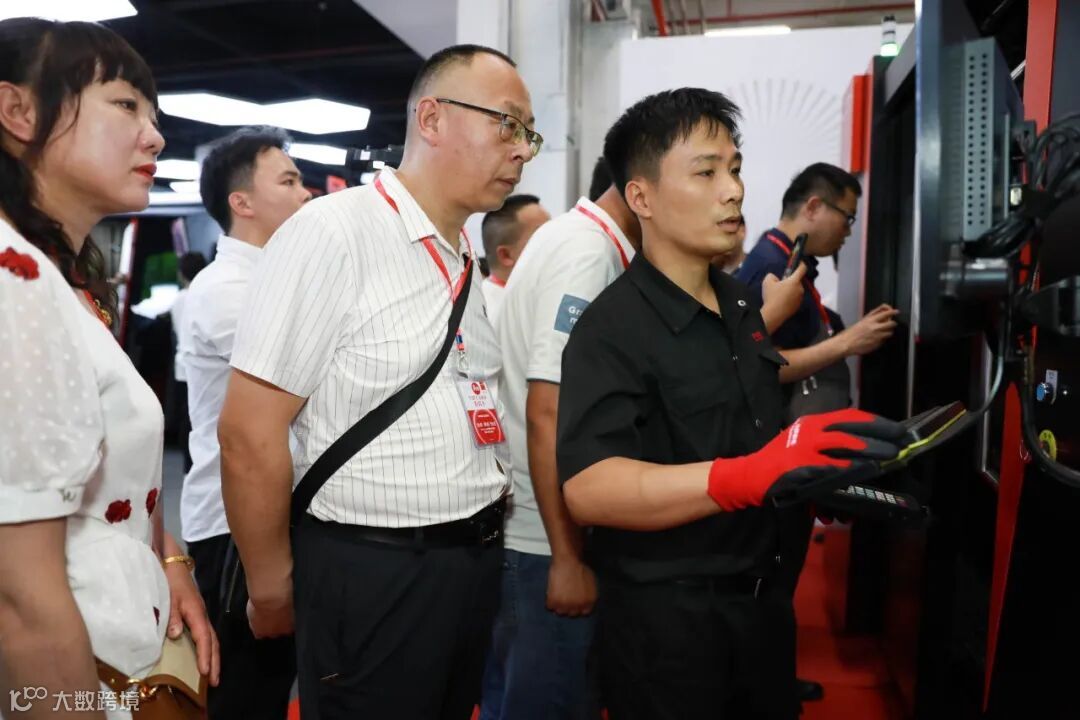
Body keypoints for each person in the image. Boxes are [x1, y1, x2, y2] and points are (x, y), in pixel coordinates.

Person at [555, 88, 907, 720]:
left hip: (764, 605)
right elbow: (590, 488)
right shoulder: (611, 329)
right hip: (671, 627)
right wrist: (745, 477)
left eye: (736, 168)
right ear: (642, 198)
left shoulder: (743, 304)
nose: (734, 191)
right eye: (706, 172)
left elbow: (747, 420)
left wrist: (818, 475)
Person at [217, 44, 541, 720]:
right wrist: (271, 586)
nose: (522, 150)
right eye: (507, 123)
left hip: (469, 561)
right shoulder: (335, 233)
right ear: (432, 118)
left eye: (528, 134)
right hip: (374, 571)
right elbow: (249, 430)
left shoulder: (460, 252)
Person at [0, 18, 218, 719]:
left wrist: (165, 557)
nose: (154, 137)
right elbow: (19, 604)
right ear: (17, 111)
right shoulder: (13, 280)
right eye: (125, 105)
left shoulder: (56, 279)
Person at [481, 158, 641, 720]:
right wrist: (567, 556)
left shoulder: (575, 237)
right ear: (642, 187)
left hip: (533, 530)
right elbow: (547, 407)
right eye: (704, 173)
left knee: (514, 696)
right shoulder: (587, 253)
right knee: (548, 701)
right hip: (543, 539)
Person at [735, 162, 898, 704]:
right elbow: (762, 365)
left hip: (793, 449)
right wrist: (847, 343)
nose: (849, 231)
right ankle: (764, 695)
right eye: (846, 218)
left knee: (782, 579)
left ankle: (773, 682)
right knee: (772, 580)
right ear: (812, 207)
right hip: (776, 454)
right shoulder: (770, 268)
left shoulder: (791, 262)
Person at [178, 125, 310, 719]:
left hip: (279, 508)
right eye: (290, 181)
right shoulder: (225, 289)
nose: (306, 194)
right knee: (243, 695)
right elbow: (314, 379)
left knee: (275, 684)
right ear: (242, 202)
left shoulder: (274, 280)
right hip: (234, 522)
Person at [480, 193, 549, 323]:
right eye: (542, 236)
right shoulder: (488, 315)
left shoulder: (537, 297)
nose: (554, 243)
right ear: (506, 255)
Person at [172, 251, 207, 472]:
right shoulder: (205, 295)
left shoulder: (179, 299)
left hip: (183, 366)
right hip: (202, 365)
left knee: (187, 417)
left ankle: (189, 464)